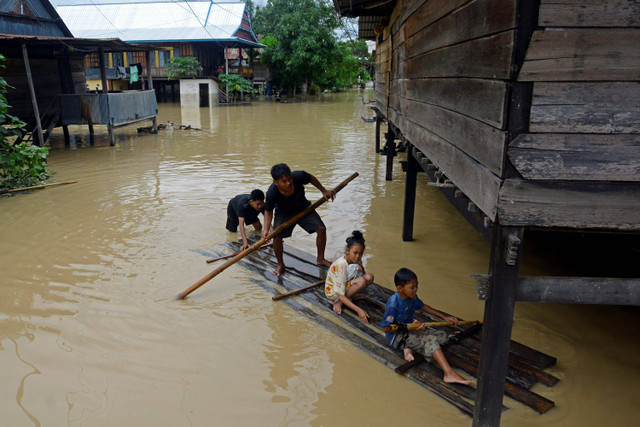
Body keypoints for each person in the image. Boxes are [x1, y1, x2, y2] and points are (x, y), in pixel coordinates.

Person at [381, 268, 473, 385]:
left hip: (410, 331)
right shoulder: (394, 304)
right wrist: (412, 328)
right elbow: (386, 328)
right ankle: (449, 374)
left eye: (416, 286)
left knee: (442, 336)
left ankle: (408, 350)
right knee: (431, 340)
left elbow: (422, 306)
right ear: (400, 288)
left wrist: (444, 317)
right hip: (397, 337)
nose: (416, 290)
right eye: (412, 287)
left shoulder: (412, 296)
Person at [261, 163, 335, 276]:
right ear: (276, 182)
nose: (289, 183)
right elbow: (268, 210)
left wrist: (324, 191)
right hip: (284, 213)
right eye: (284, 181)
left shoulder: (298, 176)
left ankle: (321, 259)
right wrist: (266, 230)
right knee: (276, 237)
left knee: (321, 229)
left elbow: (311, 178)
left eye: (289, 179)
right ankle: (280, 264)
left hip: (303, 208)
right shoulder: (272, 193)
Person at [324, 230, 374, 323]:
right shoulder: (341, 265)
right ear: (347, 250)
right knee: (361, 281)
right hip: (333, 293)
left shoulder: (357, 259)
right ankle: (339, 302)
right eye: (355, 253)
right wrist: (359, 310)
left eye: (360, 253)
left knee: (369, 277)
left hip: (344, 284)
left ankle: (350, 296)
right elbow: (341, 294)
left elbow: (363, 273)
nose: (357, 256)